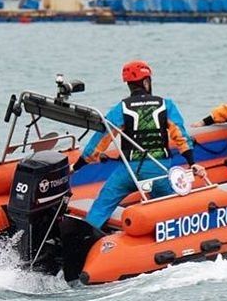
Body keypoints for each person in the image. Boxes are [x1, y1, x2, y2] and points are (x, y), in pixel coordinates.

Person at [81, 60, 204, 231]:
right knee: (170, 207)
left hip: (129, 172)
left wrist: (79, 164)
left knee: (102, 204)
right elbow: (181, 137)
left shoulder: (121, 108)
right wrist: (192, 163)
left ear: (128, 85)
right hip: (158, 169)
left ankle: (86, 238)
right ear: (147, 81)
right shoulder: (166, 105)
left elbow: (100, 141)